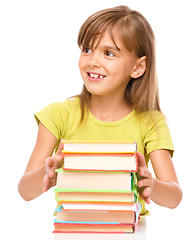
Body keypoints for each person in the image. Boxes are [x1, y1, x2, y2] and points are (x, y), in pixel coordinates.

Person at [18, 5, 182, 214]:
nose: (93, 61)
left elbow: (174, 196)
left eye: (108, 53)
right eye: (87, 49)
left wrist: (152, 185)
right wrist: (49, 174)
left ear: (137, 67)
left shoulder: (151, 122)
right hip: (72, 230)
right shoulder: (57, 115)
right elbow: (24, 190)